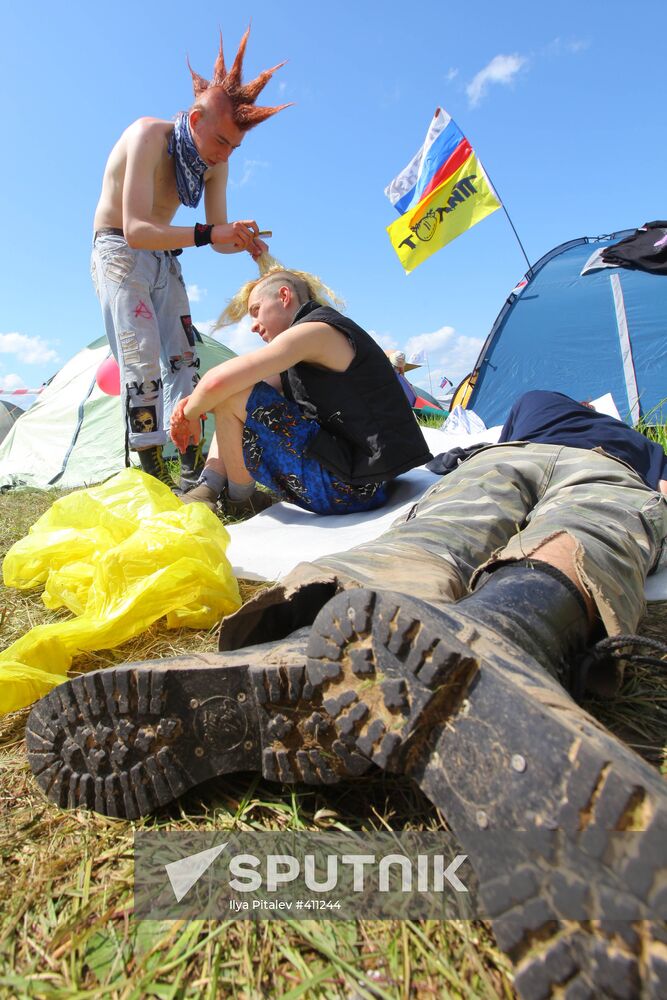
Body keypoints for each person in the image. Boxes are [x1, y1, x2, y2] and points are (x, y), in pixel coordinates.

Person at [26, 389, 667, 997]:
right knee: (585, 532)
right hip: (576, 470)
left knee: (434, 535)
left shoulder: (543, 409)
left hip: (517, 463)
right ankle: (508, 633)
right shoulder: (617, 435)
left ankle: (312, 640)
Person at [91, 27, 288, 491]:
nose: (225, 154)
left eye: (234, 147)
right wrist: (209, 232)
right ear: (196, 121)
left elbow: (216, 237)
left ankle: (189, 468)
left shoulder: (216, 162)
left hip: (164, 257)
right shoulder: (147, 136)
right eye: (221, 141)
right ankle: (151, 473)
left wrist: (239, 238)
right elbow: (136, 229)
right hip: (121, 250)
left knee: (184, 360)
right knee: (140, 363)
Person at [169, 267, 432, 514]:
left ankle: (240, 499)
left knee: (232, 389)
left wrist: (187, 417)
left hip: (354, 486)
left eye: (257, 310)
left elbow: (219, 382)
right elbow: (228, 389)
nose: (253, 325)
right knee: (235, 390)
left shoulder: (317, 331)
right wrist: (194, 404)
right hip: (364, 482)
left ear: (284, 296)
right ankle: (211, 486)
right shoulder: (307, 348)